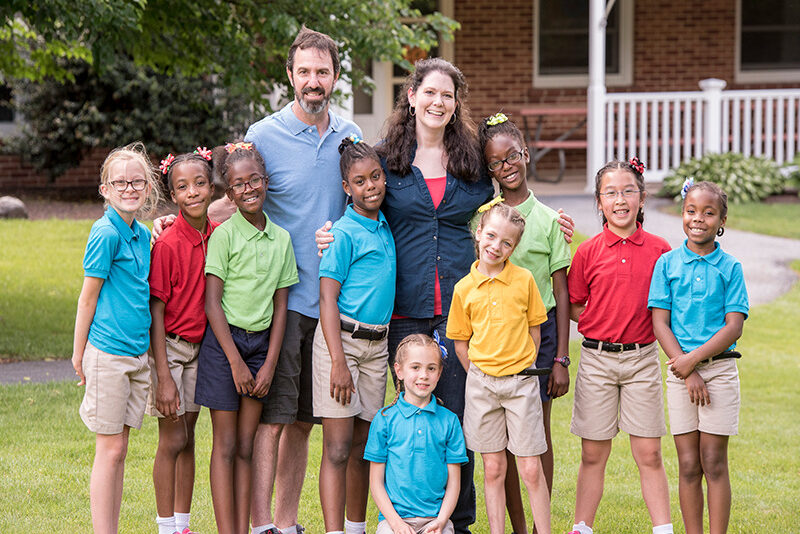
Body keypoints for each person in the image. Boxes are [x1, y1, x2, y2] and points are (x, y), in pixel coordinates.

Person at [153, 27, 362, 534]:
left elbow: (366, 199)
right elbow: (239, 196)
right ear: (290, 76)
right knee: (274, 420)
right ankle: (263, 523)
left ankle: (287, 524)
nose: (314, 81)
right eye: (305, 72)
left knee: (305, 425)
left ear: (335, 76)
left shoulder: (350, 136)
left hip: (333, 300)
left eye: (323, 71)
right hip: (278, 303)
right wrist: (181, 217)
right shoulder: (262, 135)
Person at [194, 142, 298, 534]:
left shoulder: (281, 239)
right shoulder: (224, 236)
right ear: (230, 193)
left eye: (255, 179)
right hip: (225, 349)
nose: (249, 188)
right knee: (224, 446)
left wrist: (268, 365)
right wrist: (236, 361)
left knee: (245, 445)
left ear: (266, 182)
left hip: (261, 351)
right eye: (239, 184)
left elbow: (281, 306)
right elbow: (212, 304)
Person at [566, 159, 673, 534]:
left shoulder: (661, 250)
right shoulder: (587, 252)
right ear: (599, 202)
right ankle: (582, 526)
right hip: (597, 361)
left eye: (628, 191)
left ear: (642, 199)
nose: (620, 199)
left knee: (649, 452)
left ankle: (663, 528)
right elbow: (576, 304)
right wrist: (603, 321)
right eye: (610, 192)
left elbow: (667, 308)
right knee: (593, 453)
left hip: (642, 360)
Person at [477, 112, 571, 534]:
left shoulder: (551, 221)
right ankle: (516, 527)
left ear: (526, 154)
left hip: (541, 334)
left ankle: (539, 527)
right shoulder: (484, 218)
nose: (506, 166)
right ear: (490, 170)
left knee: (536, 435)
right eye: (496, 162)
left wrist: (562, 359)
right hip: (497, 334)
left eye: (512, 156)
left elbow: (563, 294)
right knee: (503, 440)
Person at [71, 142, 162, 533]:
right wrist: (79, 354)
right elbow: (87, 296)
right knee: (108, 451)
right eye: (119, 182)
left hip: (136, 355)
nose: (129, 188)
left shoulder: (140, 234)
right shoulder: (105, 232)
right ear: (105, 189)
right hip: (107, 353)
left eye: (137, 181)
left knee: (120, 450)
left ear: (147, 187)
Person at [649, 180, 748, 534]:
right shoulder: (667, 264)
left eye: (709, 213)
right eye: (691, 211)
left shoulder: (730, 268)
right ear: (682, 215)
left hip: (719, 372)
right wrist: (686, 368)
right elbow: (660, 322)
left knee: (713, 462)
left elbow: (733, 326)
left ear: (722, 220)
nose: (699, 219)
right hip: (680, 375)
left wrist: (696, 362)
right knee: (689, 464)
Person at [447, 202, 552, 534]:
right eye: (491, 236)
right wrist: (479, 372)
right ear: (478, 233)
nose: (496, 246)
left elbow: (535, 329)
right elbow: (461, 341)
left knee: (530, 468)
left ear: (514, 248)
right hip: (482, 386)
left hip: (521, 385)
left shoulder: (523, 281)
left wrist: (522, 363)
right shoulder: (464, 289)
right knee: (492, 468)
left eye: (506, 243)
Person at [315, 136, 396, 534]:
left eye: (376, 177)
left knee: (364, 448)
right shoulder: (343, 233)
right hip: (342, 344)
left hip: (377, 348)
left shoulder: (383, 225)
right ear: (346, 188)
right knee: (338, 448)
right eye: (360, 181)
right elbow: (327, 299)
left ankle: (356, 527)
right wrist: (338, 362)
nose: (371, 186)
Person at [148, 148, 217, 534]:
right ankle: (164, 525)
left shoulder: (217, 235)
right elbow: (156, 312)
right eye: (182, 187)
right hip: (170, 350)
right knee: (172, 438)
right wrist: (164, 376)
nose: (192, 192)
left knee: (188, 438)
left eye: (199, 183)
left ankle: (183, 524)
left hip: (200, 351)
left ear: (211, 187)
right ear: (172, 195)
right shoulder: (168, 244)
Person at [365, 334, 468, 534]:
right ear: (399, 371)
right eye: (415, 367)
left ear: (439, 373)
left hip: (436, 520)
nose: (424, 375)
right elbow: (376, 482)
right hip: (394, 520)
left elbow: (454, 483)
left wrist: (441, 520)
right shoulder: (384, 419)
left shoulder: (449, 421)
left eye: (431, 368)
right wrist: (396, 524)